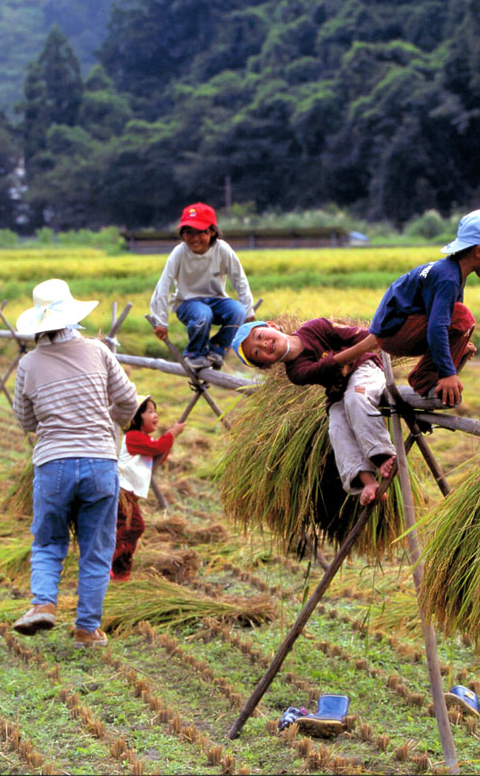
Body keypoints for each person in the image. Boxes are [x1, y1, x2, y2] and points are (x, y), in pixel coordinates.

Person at [12, 279, 138, 648]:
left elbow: (25, 421)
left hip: (53, 465)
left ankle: (43, 603)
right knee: (96, 548)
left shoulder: (28, 364)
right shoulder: (97, 352)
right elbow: (129, 401)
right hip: (100, 462)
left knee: (49, 541)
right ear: (71, 317)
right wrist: (108, 419)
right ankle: (86, 629)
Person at [333, 207, 480, 407]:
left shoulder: (450, 271)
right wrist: (447, 374)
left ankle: (333, 366)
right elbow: (438, 327)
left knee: (461, 321)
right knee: (463, 317)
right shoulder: (448, 279)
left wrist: (459, 343)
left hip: (395, 328)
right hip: (396, 331)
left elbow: (447, 318)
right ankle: (424, 380)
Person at [231, 318, 396, 506]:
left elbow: (354, 334)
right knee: (336, 427)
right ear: (266, 365)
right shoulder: (296, 373)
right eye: (257, 352)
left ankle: (383, 456)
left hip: (364, 369)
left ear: (272, 325)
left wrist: (379, 339)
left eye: (259, 336)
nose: (264, 344)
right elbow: (327, 367)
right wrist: (366, 345)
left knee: (355, 398)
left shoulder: (315, 327)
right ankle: (368, 482)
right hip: (338, 390)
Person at [150, 201, 256, 370]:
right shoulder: (179, 253)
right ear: (182, 234)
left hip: (217, 300)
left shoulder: (223, 250)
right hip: (187, 303)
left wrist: (248, 310)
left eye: (200, 232)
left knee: (238, 311)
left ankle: (217, 350)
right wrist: (161, 321)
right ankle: (195, 354)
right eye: (189, 233)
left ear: (212, 232)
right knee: (202, 313)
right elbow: (164, 285)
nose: (194, 238)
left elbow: (239, 279)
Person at [111, 395, 185, 581]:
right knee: (134, 527)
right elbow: (158, 447)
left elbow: (158, 454)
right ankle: (104, 562)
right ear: (136, 418)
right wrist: (172, 434)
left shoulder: (144, 440)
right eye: (149, 411)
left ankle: (121, 573)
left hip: (130, 496)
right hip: (123, 494)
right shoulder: (133, 437)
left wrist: (168, 439)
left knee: (128, 532)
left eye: (155, 411)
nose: (155, 415)